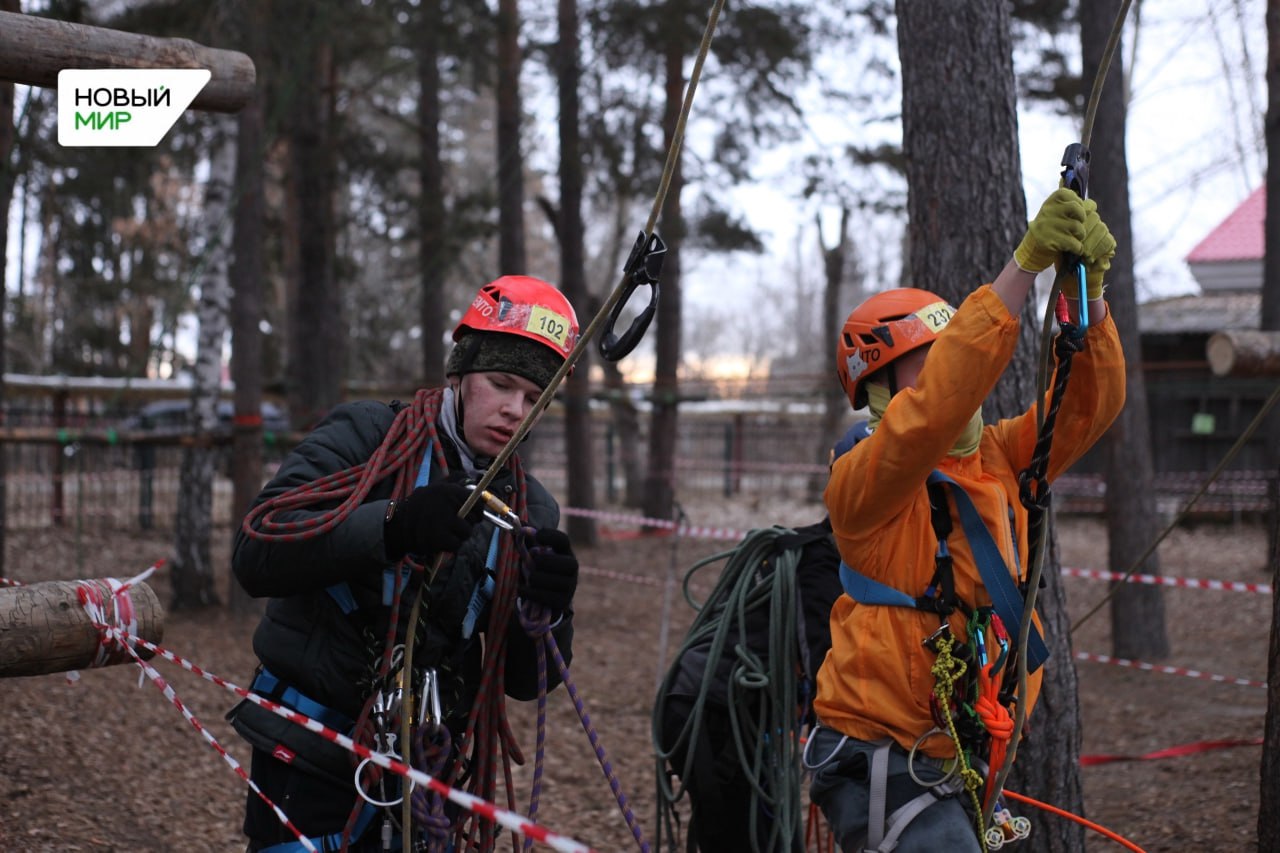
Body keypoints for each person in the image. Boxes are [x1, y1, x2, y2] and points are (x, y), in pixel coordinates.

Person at [805, 188, 1126, 852]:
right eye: (933, 360)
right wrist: (1024, 267)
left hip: (957, 752)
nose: (957, 378)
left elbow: (1091, 403)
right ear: (878, 393)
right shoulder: (865, 480)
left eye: (953, 353)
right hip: (877, 756)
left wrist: (1085, 297)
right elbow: (934, 408)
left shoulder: (998, 458)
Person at [228, 275, 583, 852]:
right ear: (461, 373)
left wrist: (549, 610)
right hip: (312, 751)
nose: (514, 410)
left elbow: (522, 681)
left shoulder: (530, 506)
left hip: (428, 770)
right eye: (500, 384)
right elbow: (256, 553)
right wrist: (392, 525)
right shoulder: (368, 437)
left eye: (534, 398)